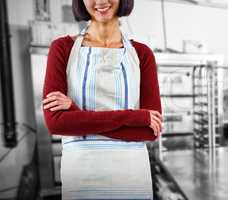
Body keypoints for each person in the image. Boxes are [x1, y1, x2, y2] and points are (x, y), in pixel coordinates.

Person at [42, 0, 161, 199]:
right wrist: (135, 117)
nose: (100, 1)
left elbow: (149, 130)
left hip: (132, 180)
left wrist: (75, 114)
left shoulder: (142, 54)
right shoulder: (62, 48)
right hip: (82, 179)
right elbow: (57, 123)